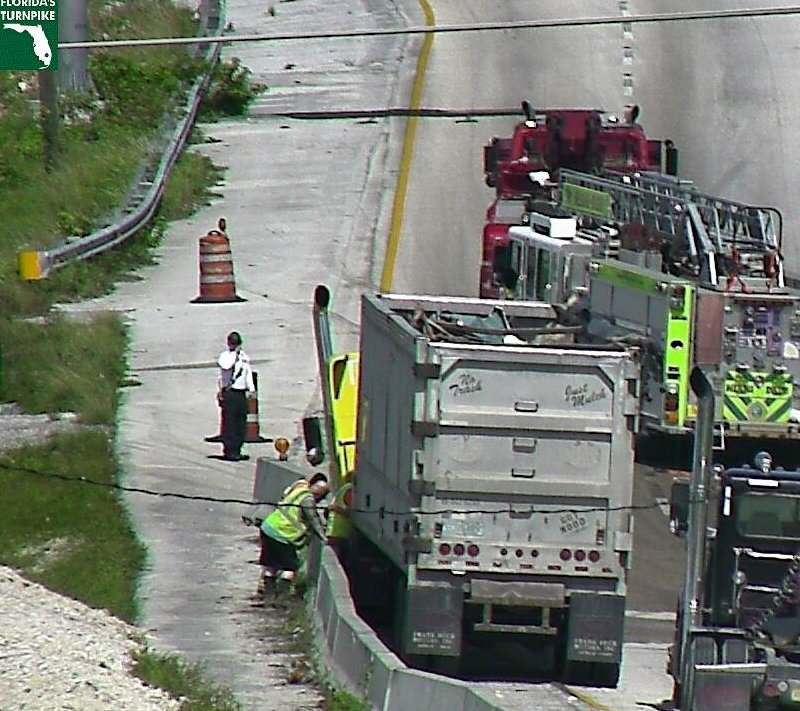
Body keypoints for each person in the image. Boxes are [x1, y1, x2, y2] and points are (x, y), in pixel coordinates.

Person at [257, 473, 330, 599]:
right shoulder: (307, 500)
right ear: (319, 494)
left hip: (269, 527)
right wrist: (324, 538)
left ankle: (267, 595)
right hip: (282, 534)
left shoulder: (299, 488)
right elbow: (313, 520)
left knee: (271, 565)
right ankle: (282, 597)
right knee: (290, 568)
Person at [217, 331, 255, 461]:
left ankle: (238, 448)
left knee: (240, 422)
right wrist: (235, 355)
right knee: (230, 423)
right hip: (230, 392)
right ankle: (229, 450)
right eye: (233, 343)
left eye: (237, 343)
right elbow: (226, 366)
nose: (235, 345)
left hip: (241, 392)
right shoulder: (225, 356)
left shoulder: (244, 357)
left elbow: (247, 372)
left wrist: (251, 389)